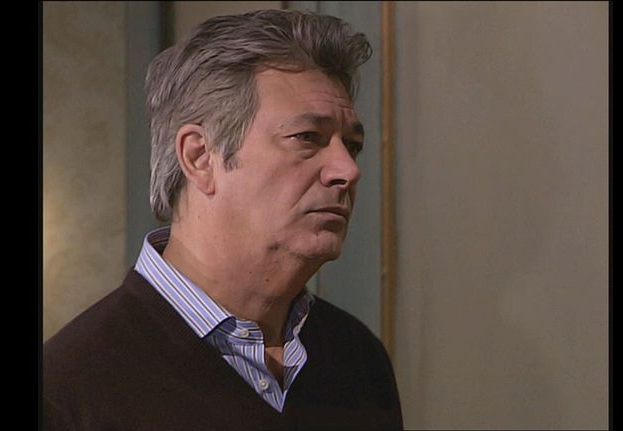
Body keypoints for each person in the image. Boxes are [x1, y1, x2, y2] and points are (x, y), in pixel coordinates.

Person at [43, 8, 403, 430]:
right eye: (307, 138)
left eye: (352, 145)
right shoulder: (66, 392)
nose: (347, 170)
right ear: (200, 157)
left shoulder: (358, 360)